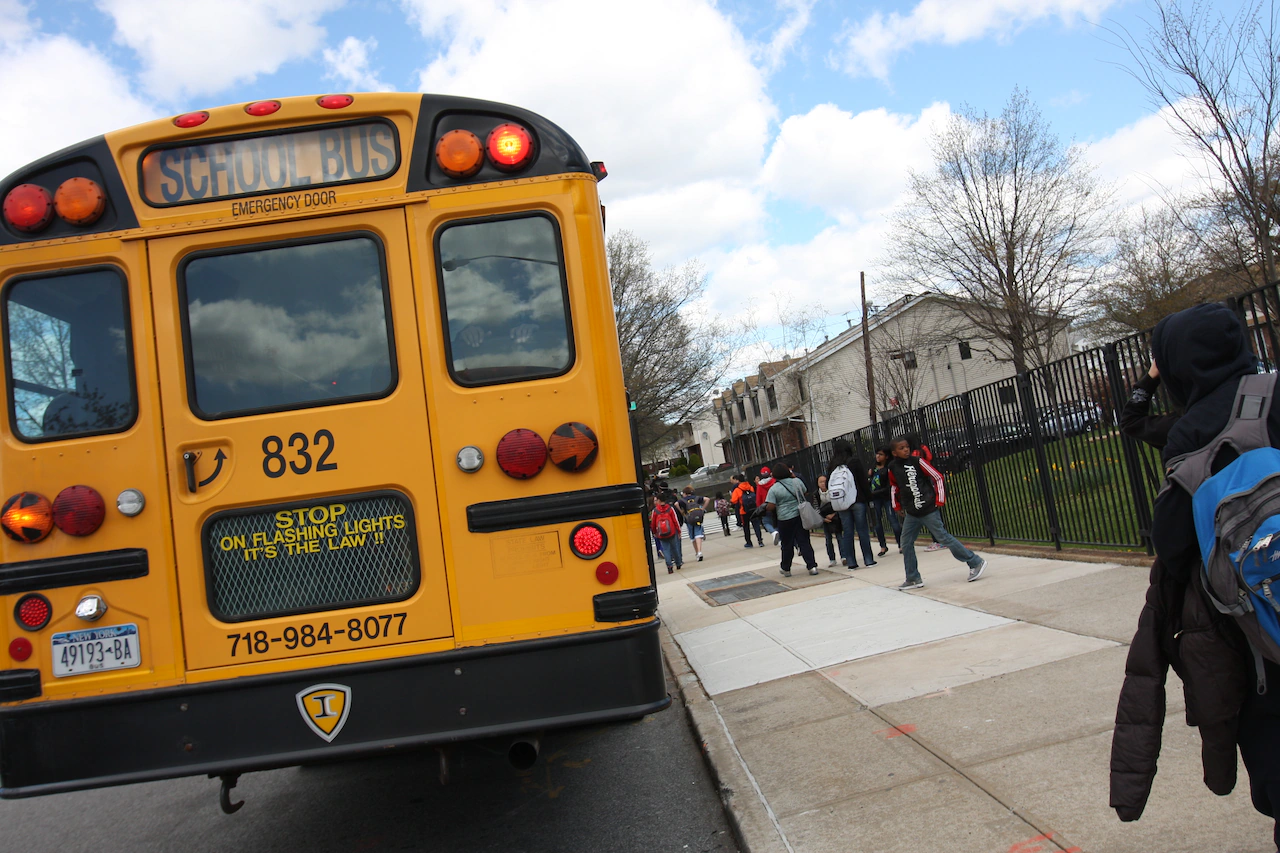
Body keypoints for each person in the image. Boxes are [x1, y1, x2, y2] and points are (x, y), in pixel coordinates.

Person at [1108, 303, 1280, 852]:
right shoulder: (1273, 391)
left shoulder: (1190, 434)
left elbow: (1175, 547)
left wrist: (1152, 376)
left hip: (1262, 646)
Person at [887, 435, 985, 589]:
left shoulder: (917, 461)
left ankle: (975, 561)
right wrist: (896, 505)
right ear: (894, 452)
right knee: (906, 543)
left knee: (943, 537)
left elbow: (938, 477)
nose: (906, 450)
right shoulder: (892, 468)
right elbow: (894, 487)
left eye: (907, 446)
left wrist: (940, 499)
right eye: (901, 448)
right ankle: (913, 578)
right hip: (912, 513)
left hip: (928, 508)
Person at [827, 440, 877, 569]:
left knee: (847, 532)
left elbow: (829, 484)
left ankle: (851, 562)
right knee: (862, 530)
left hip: (841, 503)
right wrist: (868, 497)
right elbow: (863, 482)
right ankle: (868, 559)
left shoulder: (832, 465)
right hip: (857, 500)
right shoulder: (854, 462)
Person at [763, 463, 818, 577]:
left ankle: (786, 568)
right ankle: (812, 566)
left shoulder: (774, 488)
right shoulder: (797, 482)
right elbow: (805, 491)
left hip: (784, 518)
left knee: (787, 544)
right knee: (804, 542)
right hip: (800, 515)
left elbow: (771, 506)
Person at [867, 448, 901, 556]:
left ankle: (901, 544)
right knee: (877, 523)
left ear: (886, 456)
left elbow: (889, 485)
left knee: (893, 521)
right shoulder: (873, 468)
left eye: (880, 454)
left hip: (886, 497)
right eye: (877, 454)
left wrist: (876, 492)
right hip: (875, 499)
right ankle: (882, 546)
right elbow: (869, 482)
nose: (878, 456)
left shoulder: (888, 468)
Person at [816, 474, 845, 568]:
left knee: (840, 537)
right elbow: (815, 508)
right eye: (821, 482)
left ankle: (844, 556)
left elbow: (838, 503)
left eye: (824, 481)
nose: (823, 484)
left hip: (835, 516)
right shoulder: (816, 494)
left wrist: (834, 514)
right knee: (828, 539)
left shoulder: (832, 491)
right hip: (824, 518)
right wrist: (823, 518)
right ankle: (832, 559)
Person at [650, 492, 683, 573]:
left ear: (659, 500)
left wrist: (654, 532)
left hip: (661, 533)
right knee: (674, 548)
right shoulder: (670, 508)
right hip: (671, 531)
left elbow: (653, 522)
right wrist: (678, 531)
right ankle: (678, 562)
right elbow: (675, 520)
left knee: (666, 549)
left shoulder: (655, 511)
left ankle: (669, 565)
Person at [730, 474, 764, 547]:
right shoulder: (750, 487)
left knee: (746, 527)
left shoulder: (737, 490)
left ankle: (749, 542)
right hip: (753, 509)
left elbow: (734, 500)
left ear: (738, 480)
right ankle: (760, 540)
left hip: (744, 510)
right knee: (756, 525)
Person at [681, 485, 707, 562]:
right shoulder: (697, 498)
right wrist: (702, 508)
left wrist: (682, 512)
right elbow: (707, 499)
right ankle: (699, 551)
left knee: (692, 537)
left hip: (689, 519)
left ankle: (697, 553)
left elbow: (676, 504)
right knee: (698, 534)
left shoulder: (683, 500)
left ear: (685, 493)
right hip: (698, 517)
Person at [756, 467, 779, 544]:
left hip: (765, 505)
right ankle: (780, 539)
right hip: (776, 504)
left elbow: (758, 498)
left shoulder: (760, 485)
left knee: (766, 522)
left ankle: (773, 532)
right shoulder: (774, 481)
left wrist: (759, 507)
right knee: (777, 522)